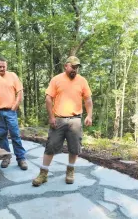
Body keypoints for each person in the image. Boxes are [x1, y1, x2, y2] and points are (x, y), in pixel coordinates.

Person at [32, 56, 93, 186]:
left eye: (77, 67)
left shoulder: (82, 81)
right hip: (58, 120)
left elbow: (87, 99)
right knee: (51, 146)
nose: (75, 70)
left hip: (75, 120)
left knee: (74, 147)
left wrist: (89, 115)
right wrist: (51, 117)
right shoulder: (56, 80)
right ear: (66, 66)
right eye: (73, 66)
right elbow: (48, 98)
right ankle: (43, 173)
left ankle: (70, 170)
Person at [0, 57, 28, 170]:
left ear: (6, 66)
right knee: (1, 135)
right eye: (0, 66)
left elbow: (20, 91)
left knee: (15, 135)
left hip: (10, 111)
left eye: (4, 66)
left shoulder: (13, 75)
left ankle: (21, 158)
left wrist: (16, 105)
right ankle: (6, 157)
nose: (2, 68)